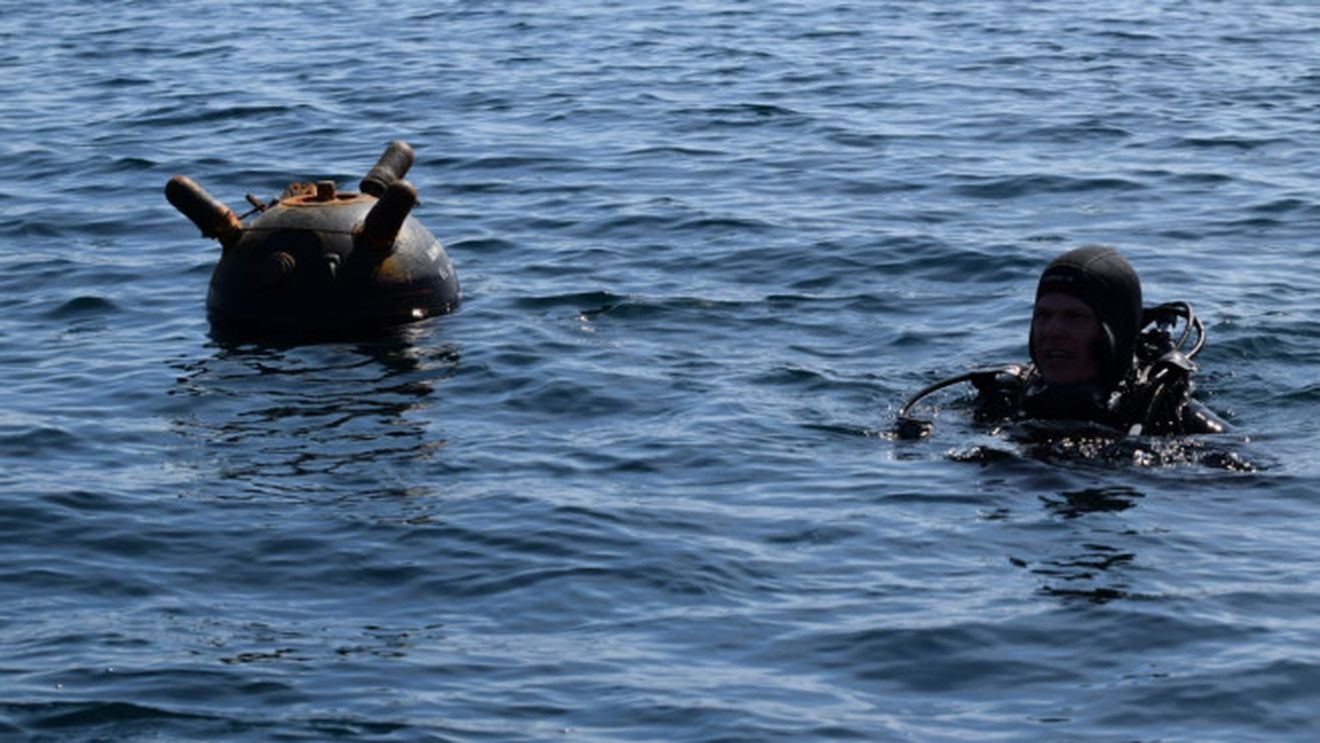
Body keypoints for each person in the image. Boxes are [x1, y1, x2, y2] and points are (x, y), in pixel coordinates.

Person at [897, 246, 1227, 437]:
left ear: (1114, 331)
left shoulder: (1168, 414)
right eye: (1043, 316)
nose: (1052, 331)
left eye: (1074, 317)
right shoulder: (1008, 399)